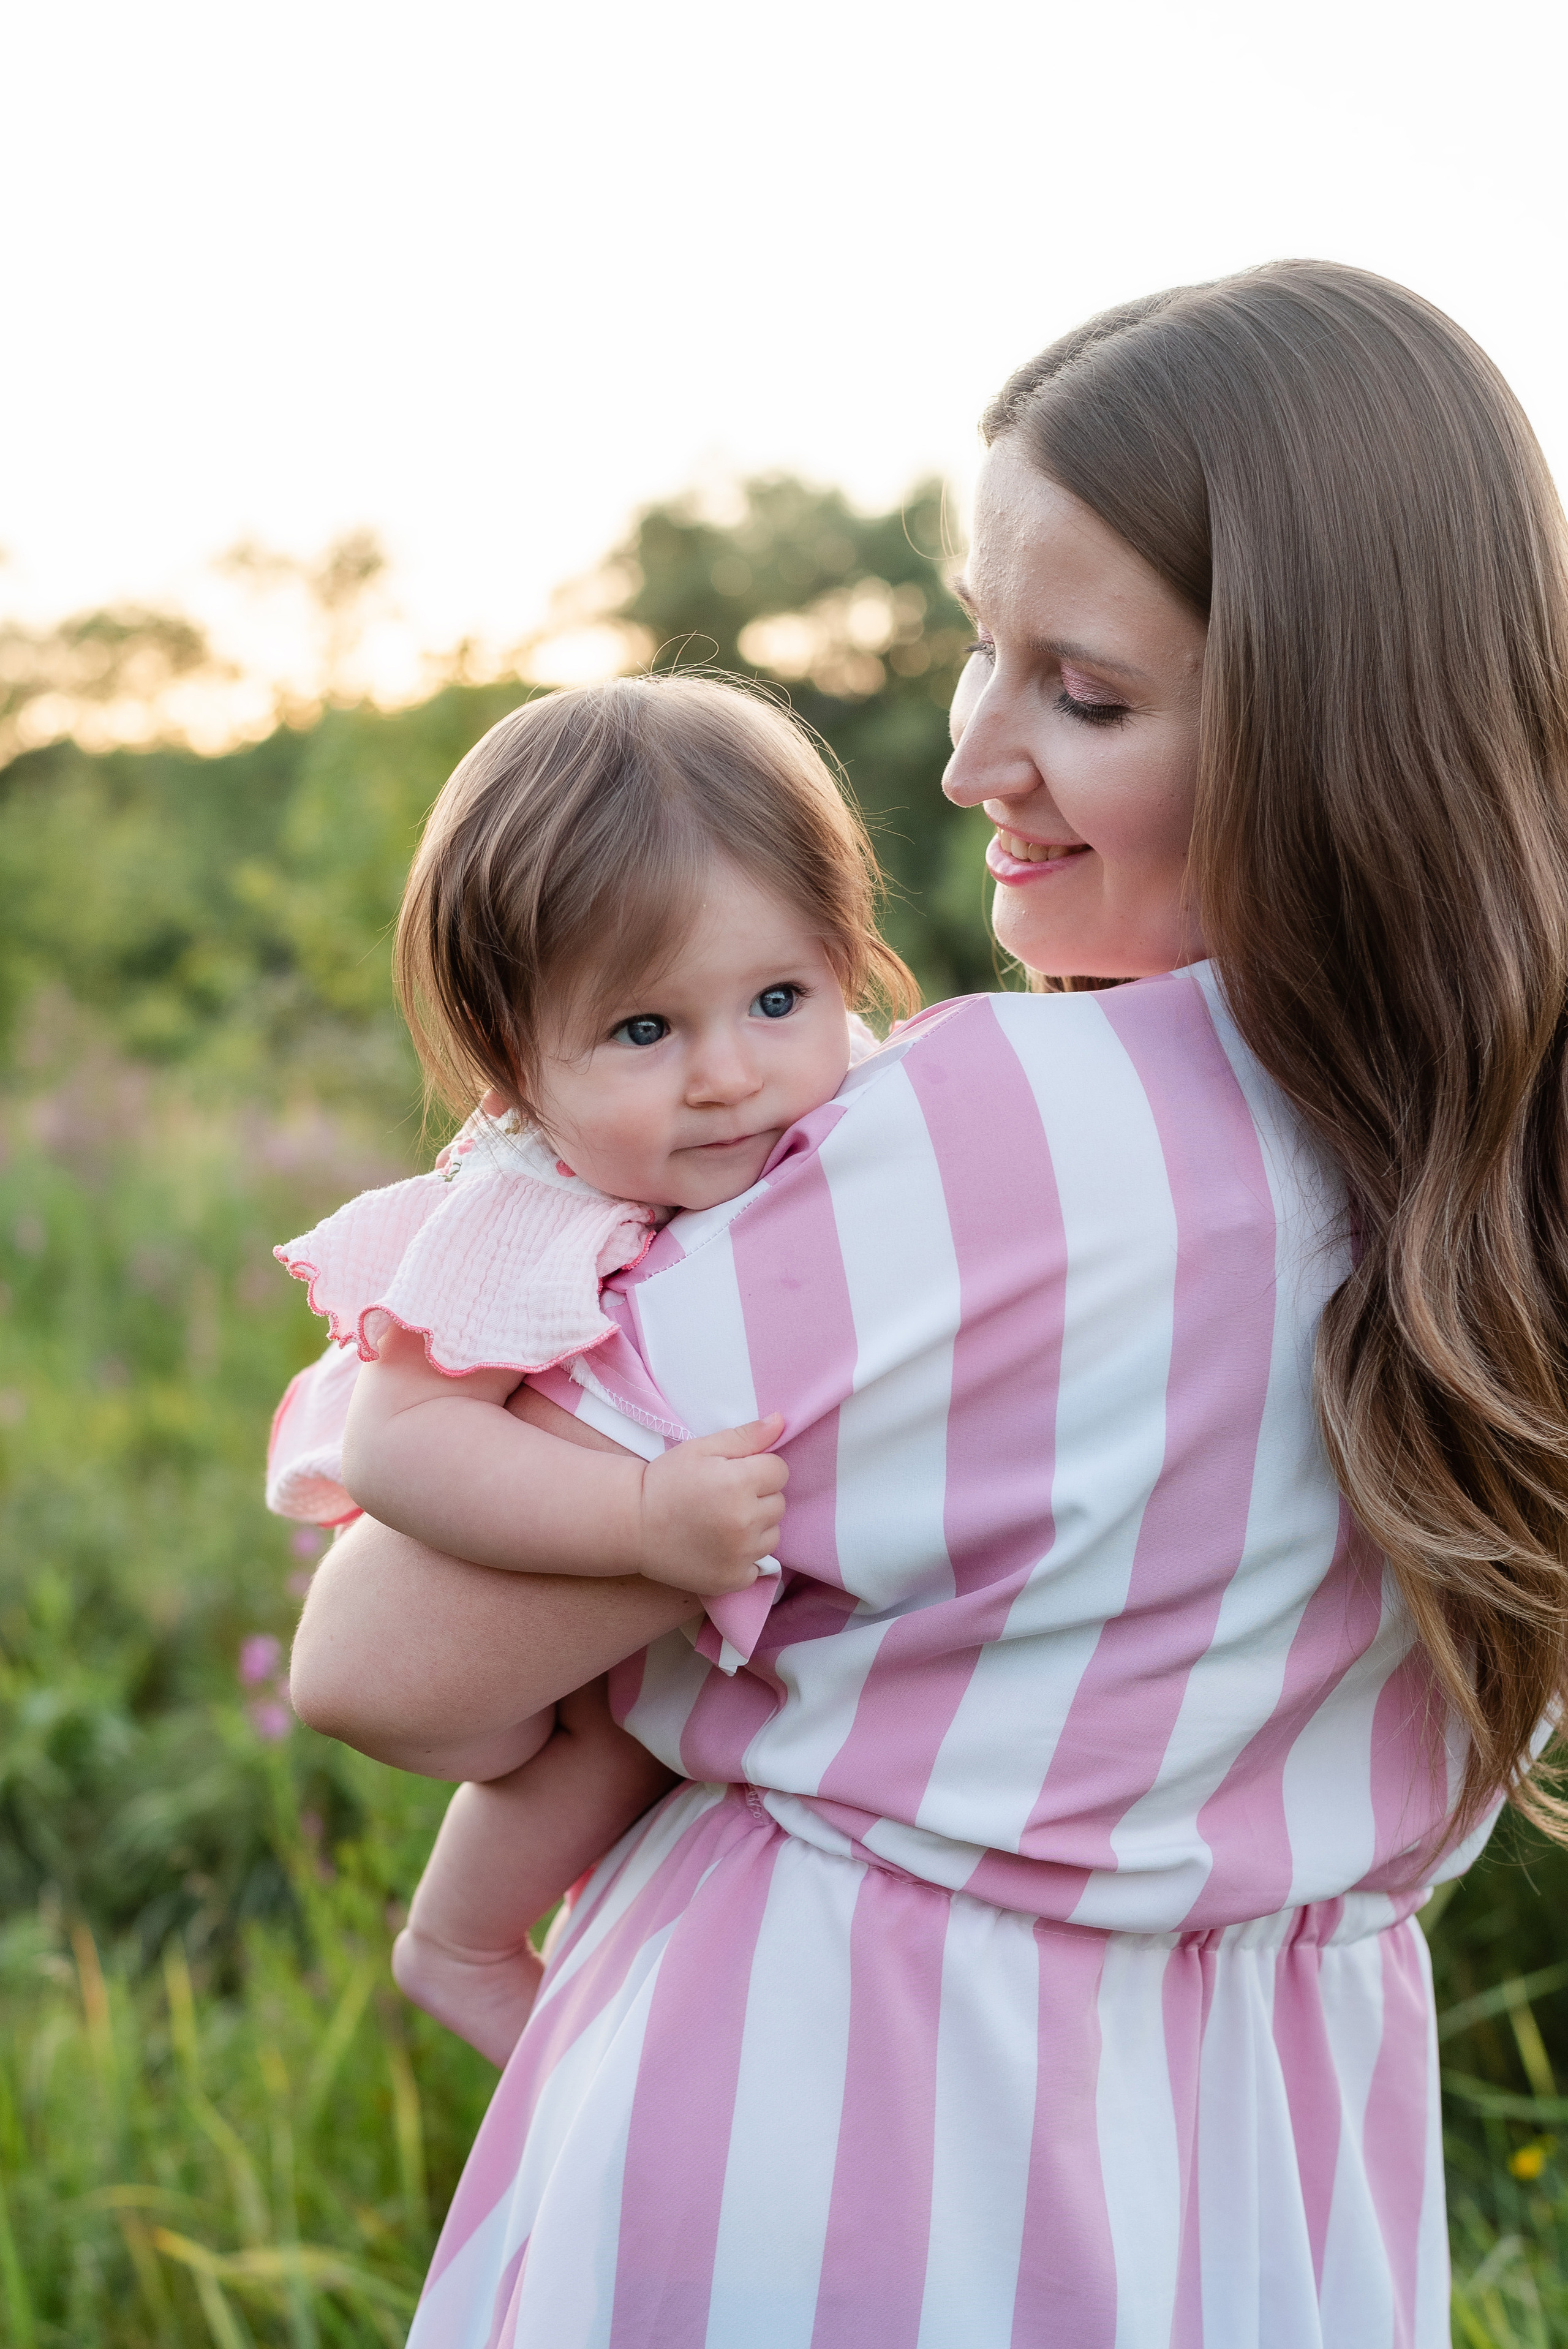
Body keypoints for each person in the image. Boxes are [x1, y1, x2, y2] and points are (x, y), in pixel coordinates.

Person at [288, 260, 1568, 2347]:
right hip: (1277, 2178)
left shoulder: (989, 1142)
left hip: (830, 2133)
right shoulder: (1518, 1166)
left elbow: (387, 1665)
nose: (974, 755)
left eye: (1088, 693)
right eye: (986, 649)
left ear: (1332, 727)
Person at [266, 674, 913, 2062]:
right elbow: (403, 1446)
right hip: (503, 1569)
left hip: (653, 1624)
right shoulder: (523, 1204)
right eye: (643, 1030)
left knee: (656, 1738)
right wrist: (639, 1524)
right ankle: (458, 1942)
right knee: (601, 1741)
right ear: (513, 1061)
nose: (729, 1072)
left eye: (778, 996)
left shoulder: (847, 1085)